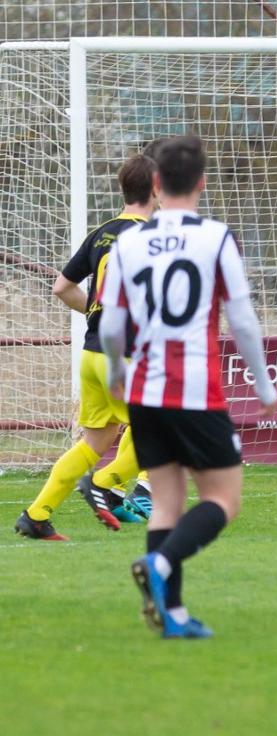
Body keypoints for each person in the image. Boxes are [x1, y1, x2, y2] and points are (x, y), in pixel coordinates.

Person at [99, 135, 277, 638]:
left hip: (143, 388)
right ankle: (159, 567)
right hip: (195, 389)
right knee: (224, 499)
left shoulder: (128, 242)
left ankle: (172, 613)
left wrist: (115, 370)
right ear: (202, 181)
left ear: (155, 183)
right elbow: (241, 319)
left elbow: (113, 324)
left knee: (166, 503)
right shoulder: (217, 237)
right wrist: (263, 386)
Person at [14, 154, 158, 541]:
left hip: (93, 351)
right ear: (156, 188)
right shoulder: (155, 237)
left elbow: (61, 287)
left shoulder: (102, 232)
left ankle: (37, 515)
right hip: (124, 354)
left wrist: (98, 311)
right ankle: (104, 484)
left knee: (96, 440)